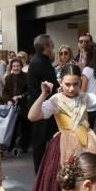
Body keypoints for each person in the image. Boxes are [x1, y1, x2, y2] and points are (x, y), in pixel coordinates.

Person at [27, 34, 58, 172]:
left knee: (42, 140)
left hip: (40, 104)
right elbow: (52, 85)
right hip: (41, 105)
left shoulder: (39, 61)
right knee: (41, 140)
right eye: (51, 44)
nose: (53, 47)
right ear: (46, 46)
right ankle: (40, 171)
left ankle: (42, 170)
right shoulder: (41, 63)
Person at [1, 58, 30, 152]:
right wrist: (8, 100)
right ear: (11, 67)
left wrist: (20, 96)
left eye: (18, 66)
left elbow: (29, 91)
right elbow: (5, 91)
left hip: (24, 104)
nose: (16, 68)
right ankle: (10, 145)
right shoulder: (8, 77)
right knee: (12, 126)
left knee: (25, 127)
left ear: (21, 66)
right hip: (12, 105)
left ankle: (25, 146)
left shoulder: (27, 76)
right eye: (14, 66)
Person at [80, 41, 96, 129]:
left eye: (83, 52)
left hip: (87, 107)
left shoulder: (86, 70)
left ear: (87, 54)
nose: (82, 55)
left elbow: (83, 91)